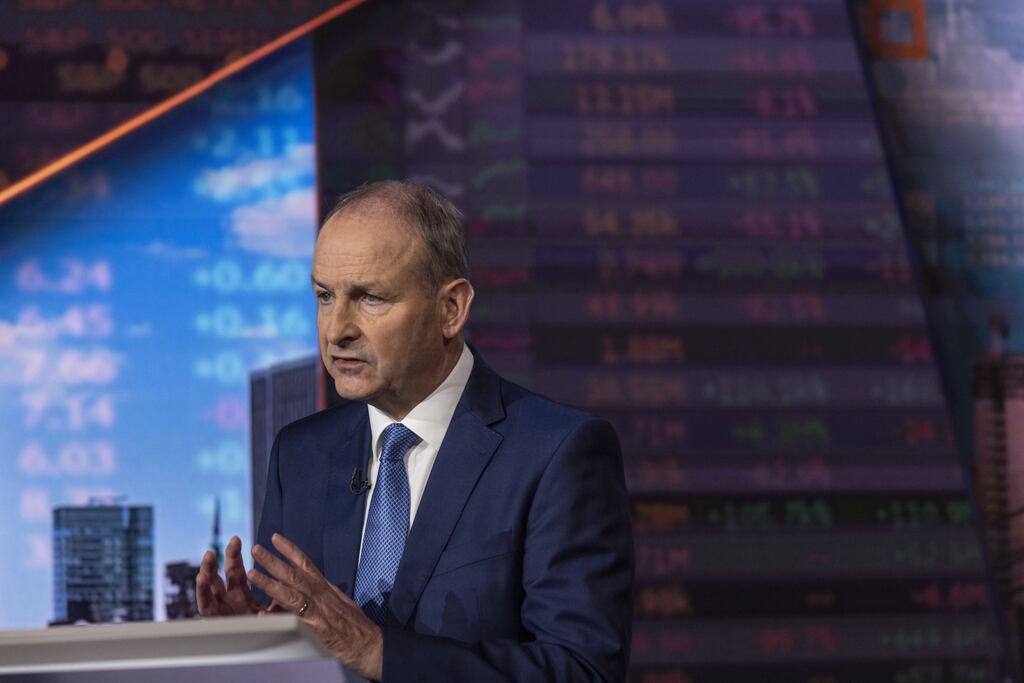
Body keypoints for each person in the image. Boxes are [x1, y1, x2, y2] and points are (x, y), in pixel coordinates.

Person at [195, 180, 633, 682]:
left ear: (451, 309)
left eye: (370, 298)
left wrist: (380, 652)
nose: (336, 329)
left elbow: (583, 671)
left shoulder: (557, 453)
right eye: (324, 296)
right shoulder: (300, 455)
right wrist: (252, 651)